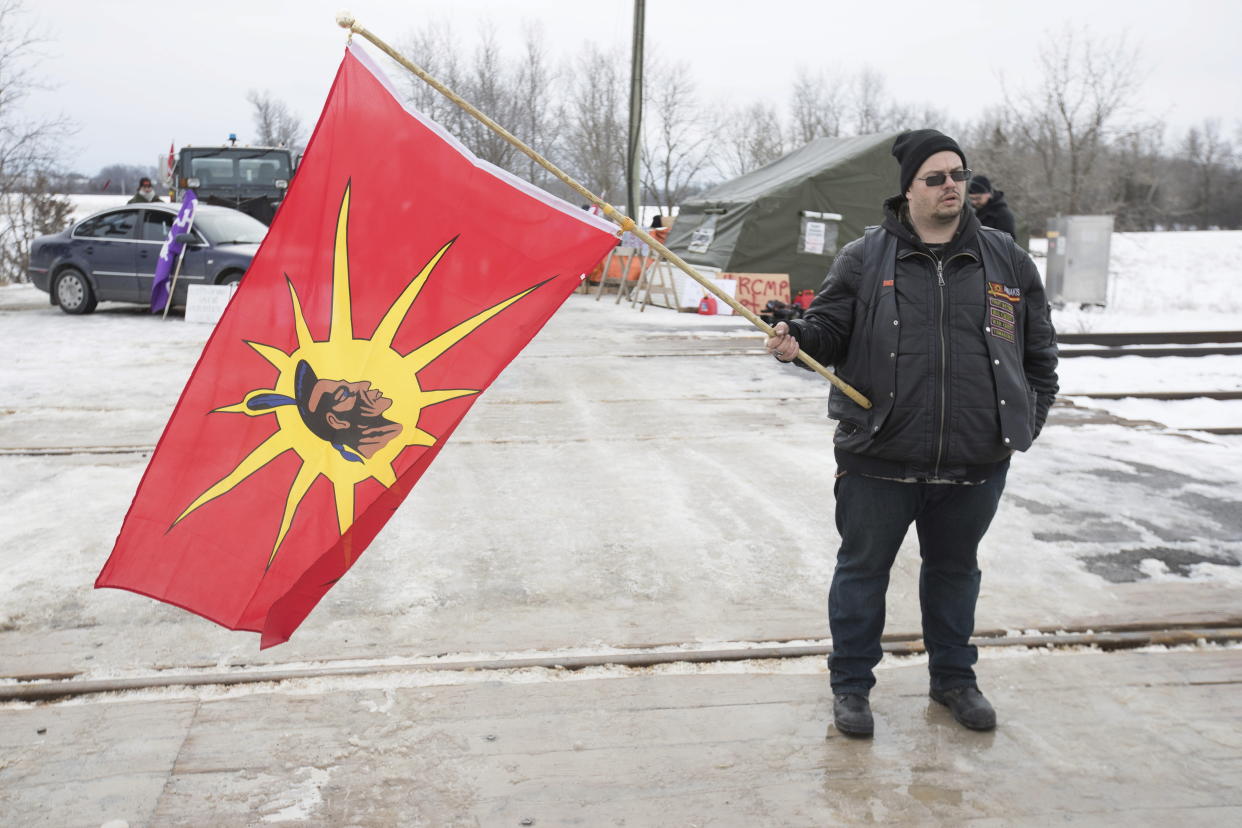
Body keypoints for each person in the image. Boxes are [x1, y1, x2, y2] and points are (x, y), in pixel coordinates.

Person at [764, 129, 1058, 739]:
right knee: (862, 570)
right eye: (937, 177)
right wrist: (798, 338)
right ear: (908, 191)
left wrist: (1024, 419)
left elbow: (1038, 353)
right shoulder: (866, 258)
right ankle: (851, 687)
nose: (953, 185)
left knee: (955, 571)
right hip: (880, 453)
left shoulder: (1005, 257)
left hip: (975, 458)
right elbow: (829, 331)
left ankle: (954, 680)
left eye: (959, 174)